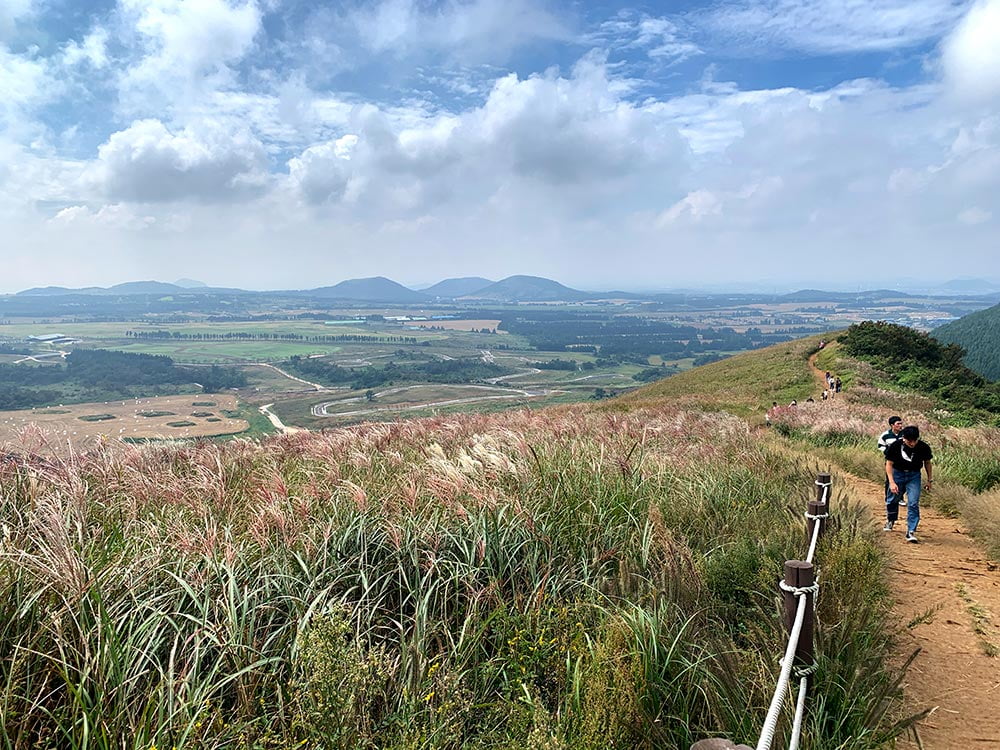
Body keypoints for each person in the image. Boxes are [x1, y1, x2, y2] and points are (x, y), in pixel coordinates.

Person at [884, 425, 933, 543]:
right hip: (897, 474)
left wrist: (929, 480)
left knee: (913, 503)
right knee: (892, 499)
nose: (912, 443)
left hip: (914, 475)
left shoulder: (923, 447)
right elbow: (889, 464)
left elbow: (927, 463)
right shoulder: (895, 446)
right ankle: (891, 519)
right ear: (904, 438)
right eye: (909, 441)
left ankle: (911, 530)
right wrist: (891, 482)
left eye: (914, 441)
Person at [878, 416, 904, 531]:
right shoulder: (885, 435)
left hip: (904, 463)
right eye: (898, 424)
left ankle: (900, 497)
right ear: (892, 425)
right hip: (891, 462)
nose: (900, 425)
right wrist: (887, 452)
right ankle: (890, 498)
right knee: (890, 480)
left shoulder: (905, 434)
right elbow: (880, 445)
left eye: (901, 423)